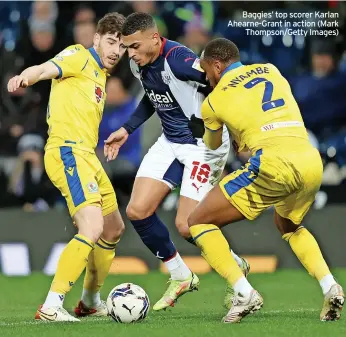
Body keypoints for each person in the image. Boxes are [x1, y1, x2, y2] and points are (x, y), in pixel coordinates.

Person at [187, 38, 345, 323]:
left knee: (198, 221)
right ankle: (329, 285)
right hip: (310, 159)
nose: (205, 76)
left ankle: (243, 292)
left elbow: (212, 146)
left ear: (217, 65)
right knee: (288, 224)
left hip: (274, 163)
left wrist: (211, 125)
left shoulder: (213, 100)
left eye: (206, 69)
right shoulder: (270, 69)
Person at [104, 12, 248, 311]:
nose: (128, 54)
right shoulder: (137, 63)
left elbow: (222, 81)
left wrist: (236, 128)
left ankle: (236, 269)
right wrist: (126, 129)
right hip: (170, 141)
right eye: (126, 47)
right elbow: (154, 95)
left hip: (202, 146)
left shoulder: (180, 59)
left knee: (187, 224)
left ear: (155, 39)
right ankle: (180, 274)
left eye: (133, 47)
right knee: (137, 210)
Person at [8, 12, 126, 322]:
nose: (116, 50)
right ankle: (51, 305)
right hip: (66, 152)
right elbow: (47, 68)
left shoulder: (101, 74)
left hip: (88, 155)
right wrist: (26, 76)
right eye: (111, 42)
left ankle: (89, 301)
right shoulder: (78, 55)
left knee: (113, 228)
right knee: (92, 227)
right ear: (96, 39)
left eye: (122, 46)